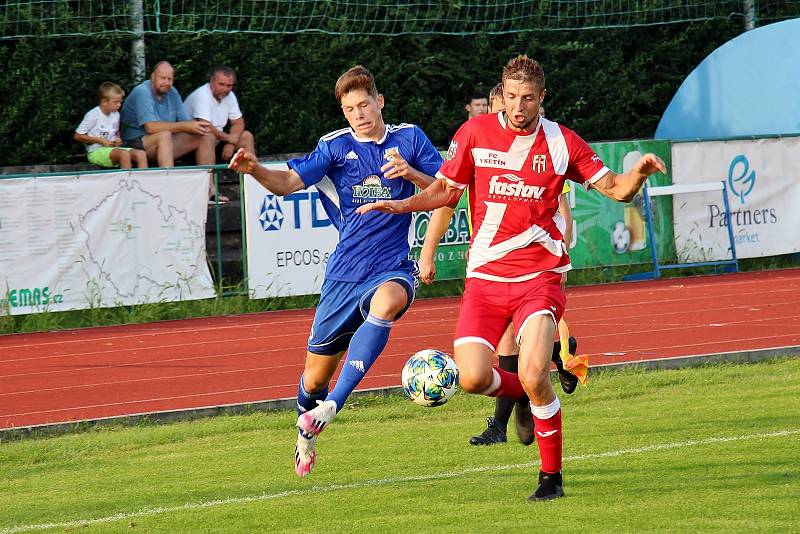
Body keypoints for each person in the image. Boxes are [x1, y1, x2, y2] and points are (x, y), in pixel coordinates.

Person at [357, 55, 666, 501]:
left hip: (538, 278)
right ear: (500, 94)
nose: (518, 107)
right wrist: (399, 205)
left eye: (528, 98)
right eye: (511, 97)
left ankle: (551, 478)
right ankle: (525, 394)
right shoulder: (475, 133)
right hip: (484, 279)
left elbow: (616, 189)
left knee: (537, 369)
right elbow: (445, 191)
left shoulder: (563, 142)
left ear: (543, 98)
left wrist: (638, 173)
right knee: (473, 379)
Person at [227, 65, 443, 478]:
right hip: (343, 274)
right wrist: (254, 169)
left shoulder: (410, 139)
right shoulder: (334, 148)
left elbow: (446, 189)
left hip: (392, 265)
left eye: (364, 104)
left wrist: (411, 175)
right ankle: (307, 432)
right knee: (312, 378)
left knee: (389, 302)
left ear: (379, 102)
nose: (359, 114)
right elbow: (288, 183)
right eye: (349, 108)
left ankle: (333, 406)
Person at [418, 81, 578, 448]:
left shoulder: (546, 150)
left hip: (533, 268)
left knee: (514, 350)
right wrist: (428, 252)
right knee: (507, 355)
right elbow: (445, 199)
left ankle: (514, 410)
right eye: (497, 108)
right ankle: (535, 382)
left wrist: (559, 248)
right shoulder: (477, 148)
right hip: (488, 267)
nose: (502, 115)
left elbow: (563, 206)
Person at [120, 61, 215, 170]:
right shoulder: (142, 91)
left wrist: (196, 126)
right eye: (162, 78)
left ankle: (209, 185)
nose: (166, 82)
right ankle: (169, 181)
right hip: (134, 144)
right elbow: (151, 127)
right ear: (153, 77)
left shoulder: (173, 92)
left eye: (169, 79)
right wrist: (185, 126)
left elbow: (185, 121)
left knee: (206, 136)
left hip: (164, 144)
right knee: (164, 135)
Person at [183, 65, 256, 165]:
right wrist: (228, 138)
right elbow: (206, 126)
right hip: (193, 146)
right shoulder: (202, 95)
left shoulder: (229, 96)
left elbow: (238, 122)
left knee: (247, 136)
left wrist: (230, 143)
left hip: (217, 141)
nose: (225, 89)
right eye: (221, 84)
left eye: (229, 85)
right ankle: (209, 180)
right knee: (207, 136)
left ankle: (251, 177)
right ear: (211, 82)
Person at [74, 82, 148, 170]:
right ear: (104, 102)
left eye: (120, 102)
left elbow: (115, 132)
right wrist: (99, 140)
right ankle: (127, 182)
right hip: (96, 152)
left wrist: (118, 139)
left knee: (141, 154)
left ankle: (143, 182)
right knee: (124, 154)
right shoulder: (93, 115)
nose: (119, 105)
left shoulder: (116, 114)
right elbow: (77, 135)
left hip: (113, 150)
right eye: (116, 102)